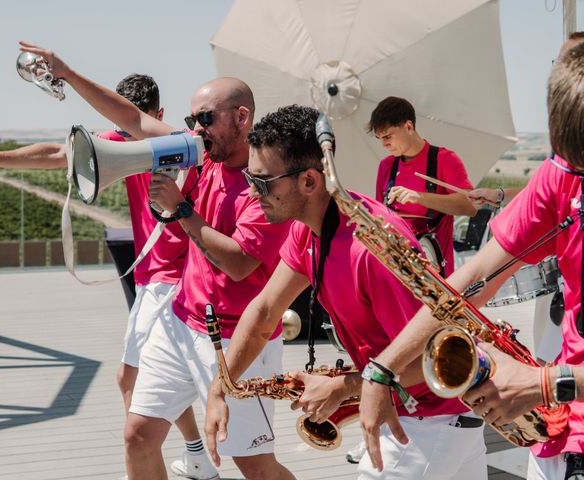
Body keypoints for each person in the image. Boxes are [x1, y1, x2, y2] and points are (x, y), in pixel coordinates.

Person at [16, 42, 295, 480]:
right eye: (191, 120)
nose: (195, 130)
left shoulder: (265, 181)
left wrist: (183, 211)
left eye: (205, 118)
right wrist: (67, 72)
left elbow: (240, 264)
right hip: (181, 319)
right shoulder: (204, 155)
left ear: (242, 118)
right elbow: (132, 118)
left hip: (236, 338)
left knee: (254, 464)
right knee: (138, 435)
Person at [0, 74, 218, 480]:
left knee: (132, 381)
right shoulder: (121, 138)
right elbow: (57, 153)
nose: (125, 133)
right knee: (156, 381)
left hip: (172, 281)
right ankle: (193, 455)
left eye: (134, 121)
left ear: (156, 117)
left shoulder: (182, 146)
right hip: (152, 281)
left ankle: (146, 461)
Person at [204, 105, 487, 479]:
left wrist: (343, 387)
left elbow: (435, 363)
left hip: (429, 424)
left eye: (263, 182)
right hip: (429, 420)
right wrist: (219, 389)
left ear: (308, 181)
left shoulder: (370, 250)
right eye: (249, 179)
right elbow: (264, 313)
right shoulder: (308, 229)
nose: (252, 194)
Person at [358, 41, 584, 480]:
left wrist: (542, 383)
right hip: (566, 432)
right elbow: (478, 274)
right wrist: (383, 368)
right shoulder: (564, 172)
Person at [369, 96, 476, 277]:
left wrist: (420, 197)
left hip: (434, 274)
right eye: (380, 138)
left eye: (387, 136)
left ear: (408, 127)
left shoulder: (445, 159)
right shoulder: (385, 166)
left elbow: (471, 205)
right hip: (396, 272)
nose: (384, 144)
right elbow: (380, 217)